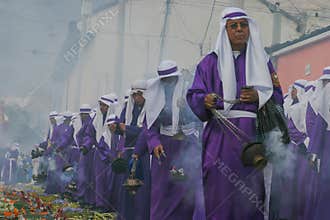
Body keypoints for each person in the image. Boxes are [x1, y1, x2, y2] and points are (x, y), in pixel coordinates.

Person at [187, 7, 283, 220]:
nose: (239, 29)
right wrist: (205, 100)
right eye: (234, 26)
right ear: (225, 30)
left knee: (251, 193)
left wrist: (259, 96)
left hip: (252, 137)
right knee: (217, 188)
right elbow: (194, 93)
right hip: (219, 137)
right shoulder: (209, 63)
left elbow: (278, 97)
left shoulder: (262, 62)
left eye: (243, 25)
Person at [145, 60, 203, 220]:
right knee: (160, 189)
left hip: (183, 148)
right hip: (163, 150)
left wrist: (187, 107)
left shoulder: (188, 91)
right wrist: (154, 143)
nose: (168, 83)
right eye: (165, 80)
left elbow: (200, 118)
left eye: (171, 79)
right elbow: (149, 126)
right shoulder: (155, 97)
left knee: (181, 186)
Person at [116, 80, 150, 220]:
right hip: (129, 151)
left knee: (142, 186)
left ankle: (141, 216)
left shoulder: (150, 109)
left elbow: (146, 131)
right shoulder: (128, 108)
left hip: (143, 153)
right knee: (127, 187)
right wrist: (117, 128)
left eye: (139, 95)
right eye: (134, 95)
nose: (136, 98)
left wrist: (128, 129)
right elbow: (121, 125)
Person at [75, 104, 98, 205]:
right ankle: (83, 196)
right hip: (84, 150)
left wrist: (85, 145)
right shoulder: (84, 123)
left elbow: (89, 136)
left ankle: (84, 196)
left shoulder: (90, 122)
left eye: (84, 114)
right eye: (81, 114)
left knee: (85, 175)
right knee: (83, 175)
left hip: (88, 151)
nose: (82, 116)